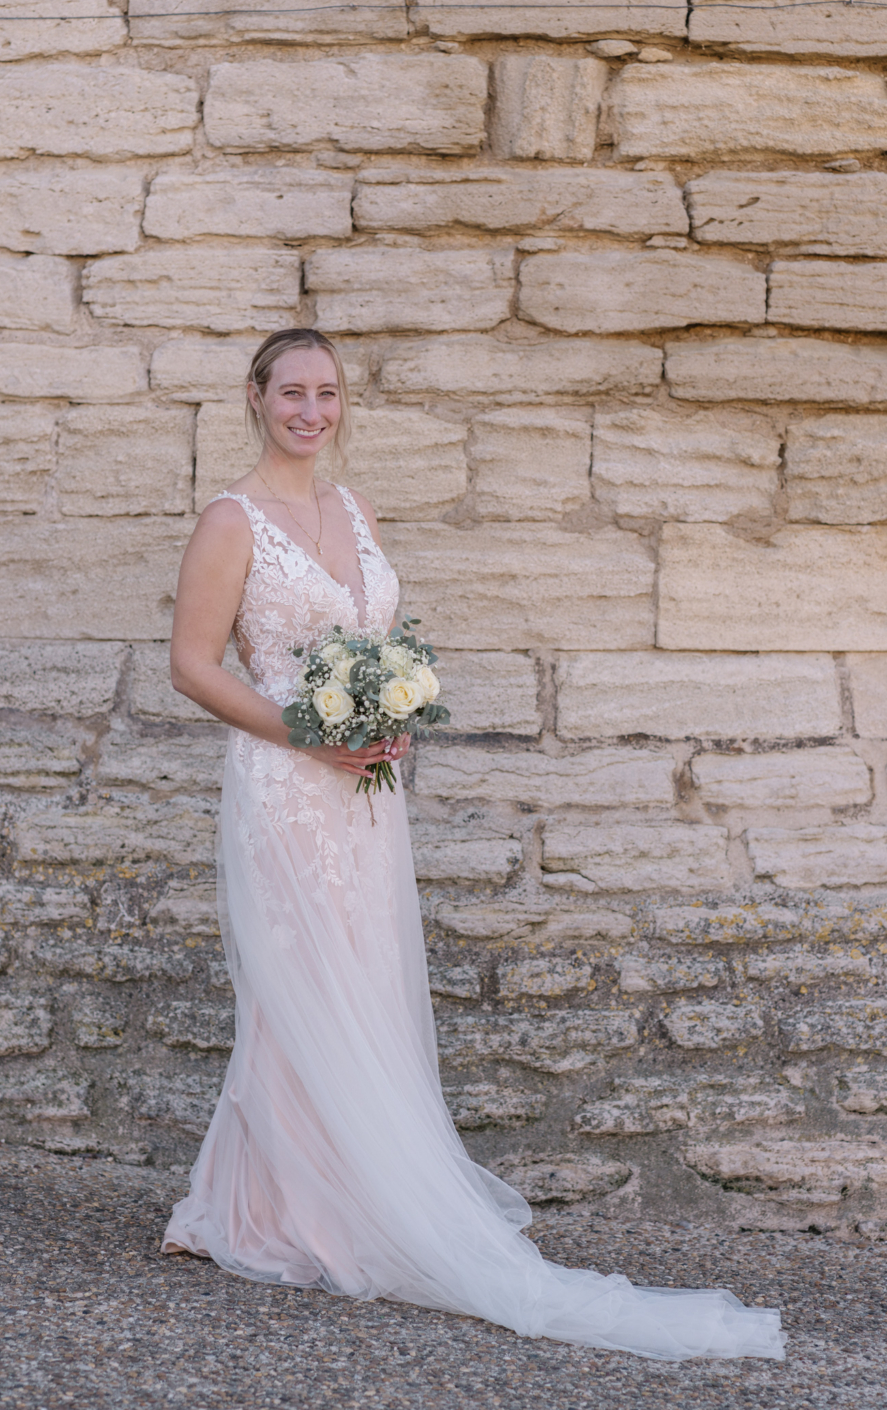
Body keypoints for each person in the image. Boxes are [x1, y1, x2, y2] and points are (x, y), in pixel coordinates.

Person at [160, 328, 785, 1361]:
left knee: (353, 981)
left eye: (329, 393)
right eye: (293, 393)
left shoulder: (352, 510)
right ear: (256, 398)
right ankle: (280, 1211)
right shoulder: (232, 521)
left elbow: (373, 643)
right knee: (298, 982)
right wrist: (312, 733)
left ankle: (248, 1204)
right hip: (286, 784)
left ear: (342, 403)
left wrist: (388, 711)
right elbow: (192, 665)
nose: (312, 411)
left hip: (365, 788)